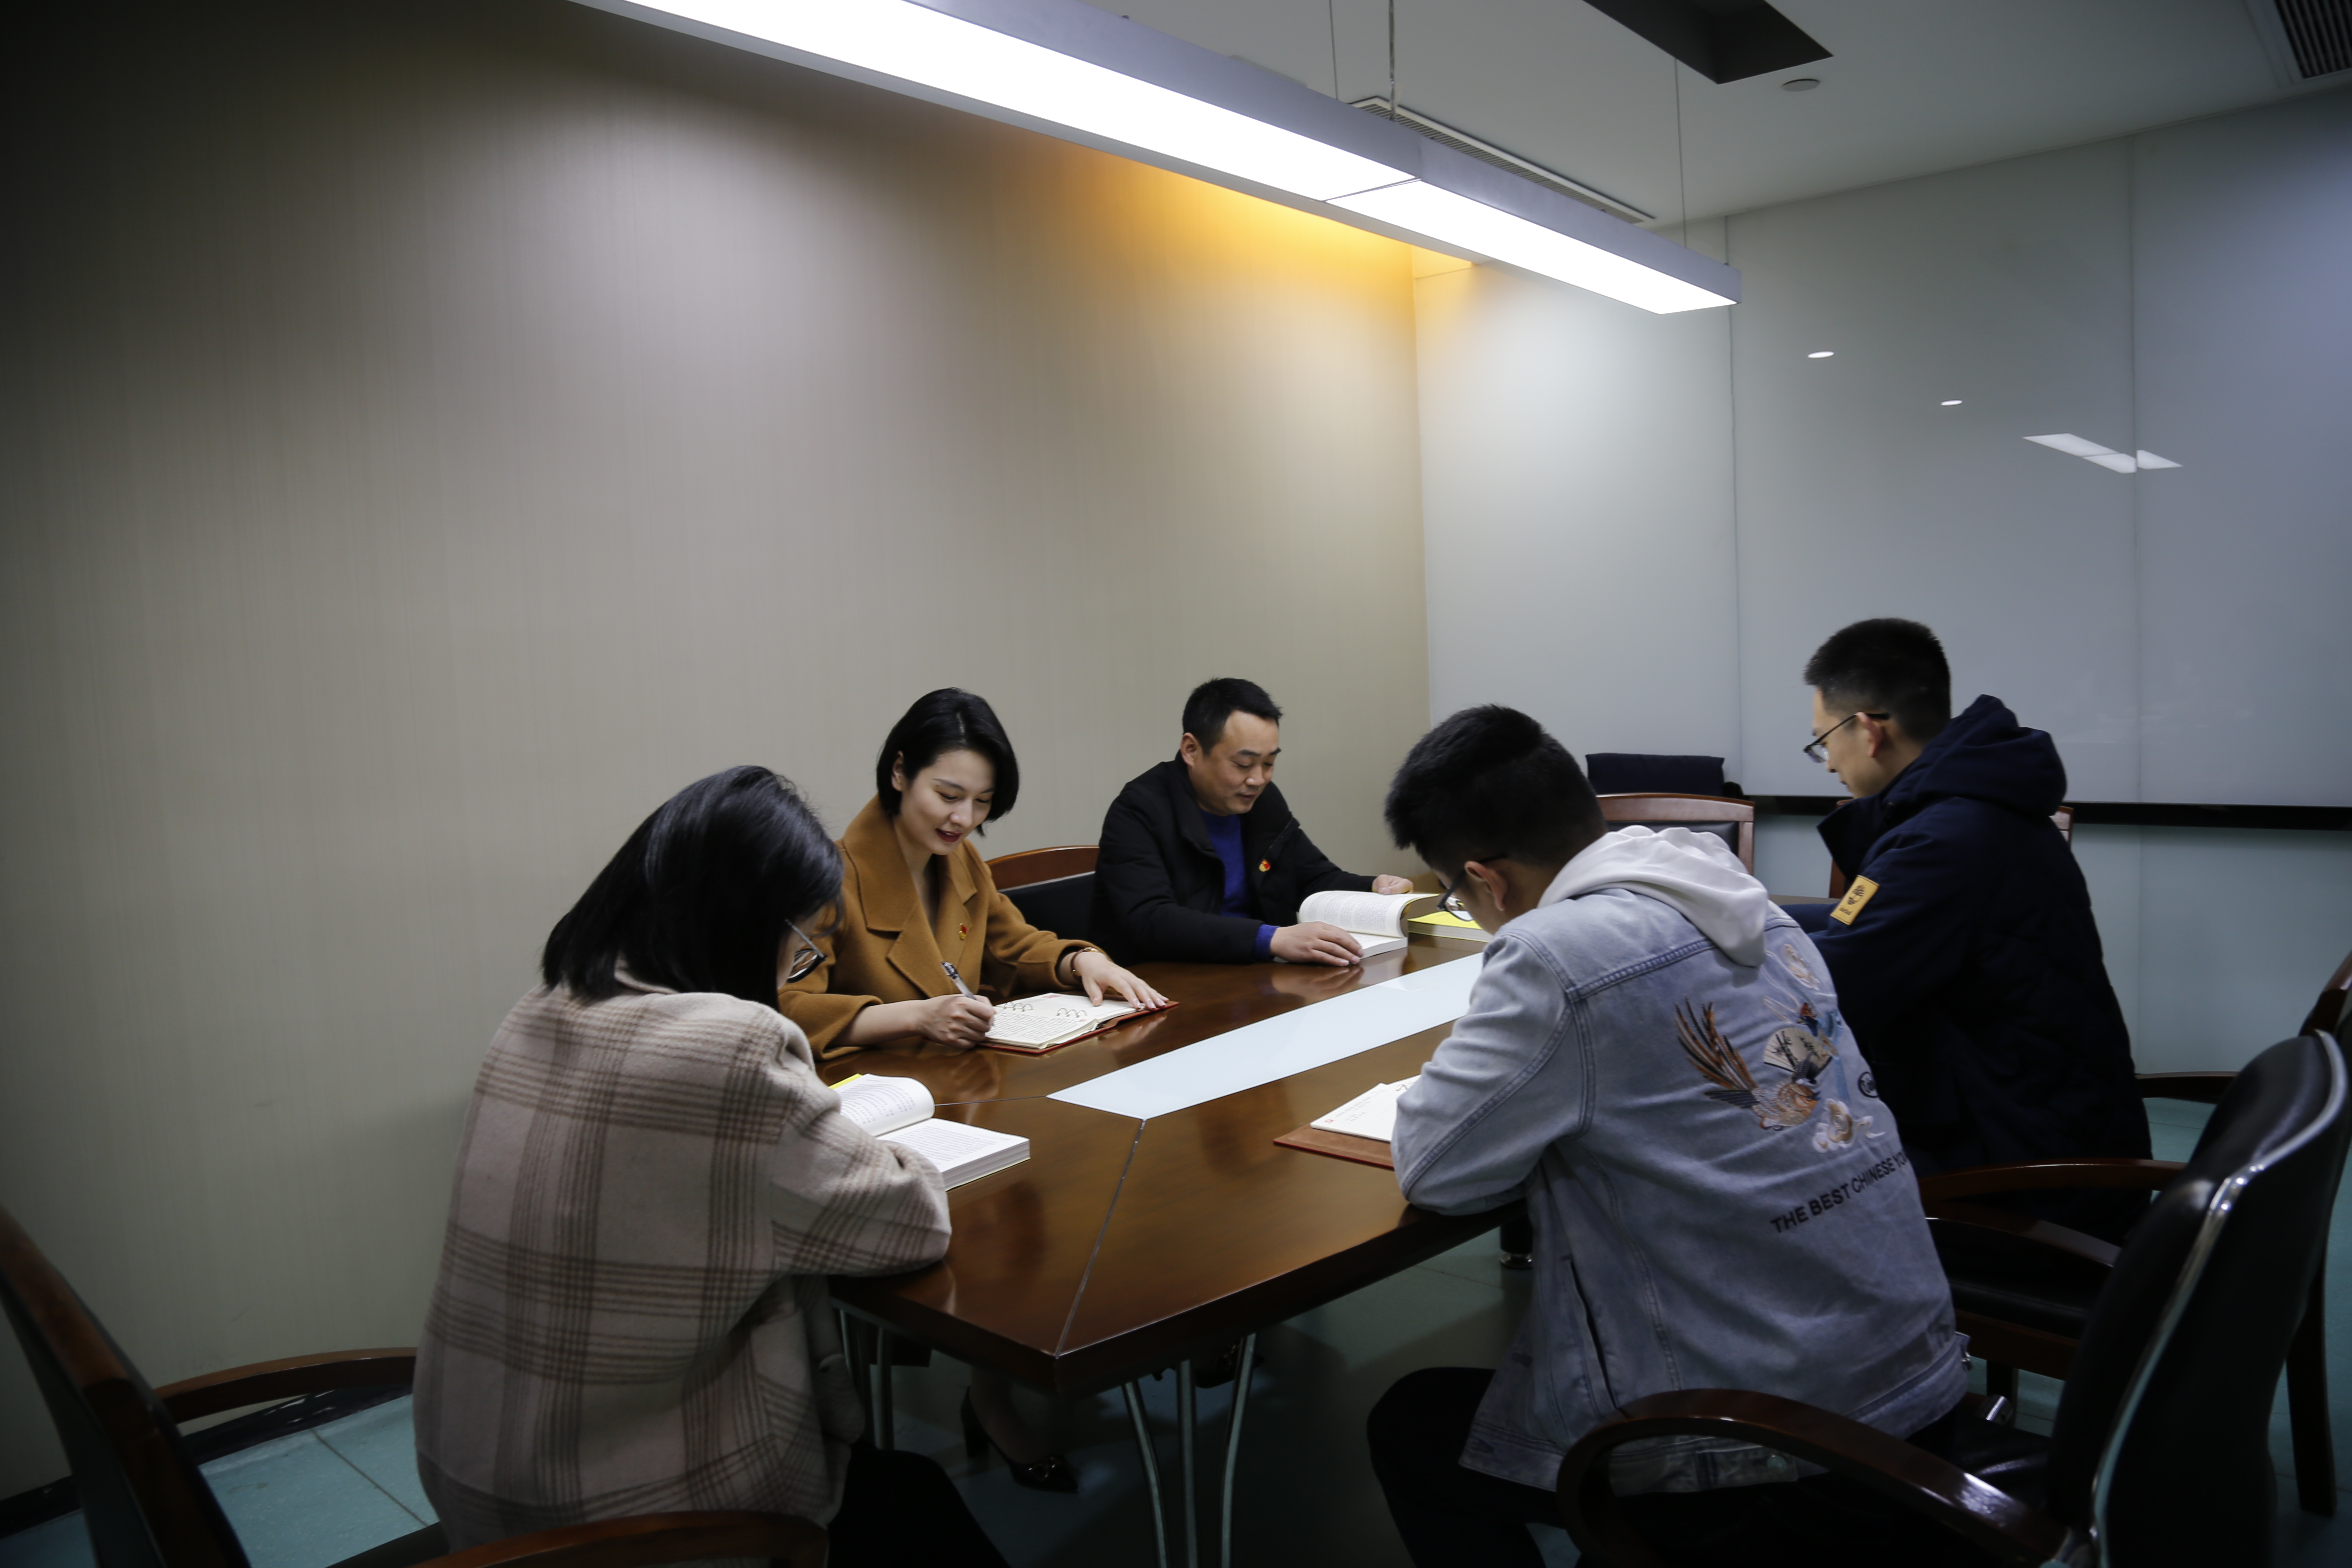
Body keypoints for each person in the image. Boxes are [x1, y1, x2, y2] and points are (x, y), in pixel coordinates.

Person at [1366, 707, 1967, 1568]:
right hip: (1918, 1384)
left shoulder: (1554, 953)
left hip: (1782, 1450)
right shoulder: (1746, 902)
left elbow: (1434, 1168)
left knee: (1410, 1426)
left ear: (1485, 880)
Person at [413, 766, 1007, 1568]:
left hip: (478, 1480)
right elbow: (910, 1223)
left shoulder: (540, 1006)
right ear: (744, 925)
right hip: (623, 1522)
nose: (791, 971)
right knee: (915, 1502)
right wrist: (872, 1146)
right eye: (799, 946)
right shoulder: (728, 1048)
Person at [779, 687, 1166, 1490]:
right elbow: (784, 1008)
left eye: (982, 803)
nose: (963, 819)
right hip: (882, 1116)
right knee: (1001, 1217)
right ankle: (989, 1395)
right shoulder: (830, 872)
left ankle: (997, 1385)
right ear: (899, 773)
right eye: (948, 795)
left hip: (968, 1092)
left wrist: (1080, 960)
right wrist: (905, 1015)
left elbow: (1014, 943)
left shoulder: (960, 861)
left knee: (1061, 1189)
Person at [1787, 618, 2148, 1235]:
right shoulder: (1975, 810)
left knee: (1773, 1172)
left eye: (1823, 742)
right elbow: (1871, 919)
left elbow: (1832, 985)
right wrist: (1757, 914)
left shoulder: (1947, 841)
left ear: (1869, 730)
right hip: (2046, 1126)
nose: (1827, 766)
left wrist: (1709, 951)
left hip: (2023, 1184)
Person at [1090, 677, 1414, 965]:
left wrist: (1374, 888)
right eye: (1243, 764)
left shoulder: (1262, 801)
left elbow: (1312, 879)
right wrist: (1271, 939)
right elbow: (1150, 919)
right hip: (1165, 983)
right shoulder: (1139, 810)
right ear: (1191, 750)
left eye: (1269, 763)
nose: (1258, 780)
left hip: (1253, 974)